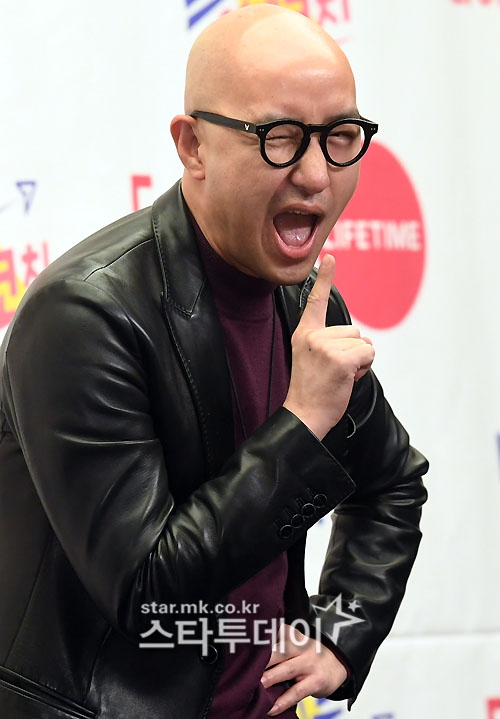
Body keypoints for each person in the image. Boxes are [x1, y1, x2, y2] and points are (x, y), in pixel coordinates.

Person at [0, 4, 428, 719]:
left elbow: (393, 483)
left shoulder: (307, 305)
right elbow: (148, 595)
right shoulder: (85, 316)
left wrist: (341, 635)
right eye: (281, 139)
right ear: (193, 145)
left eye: (341, 137)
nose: (317, 175)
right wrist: (301, 423)